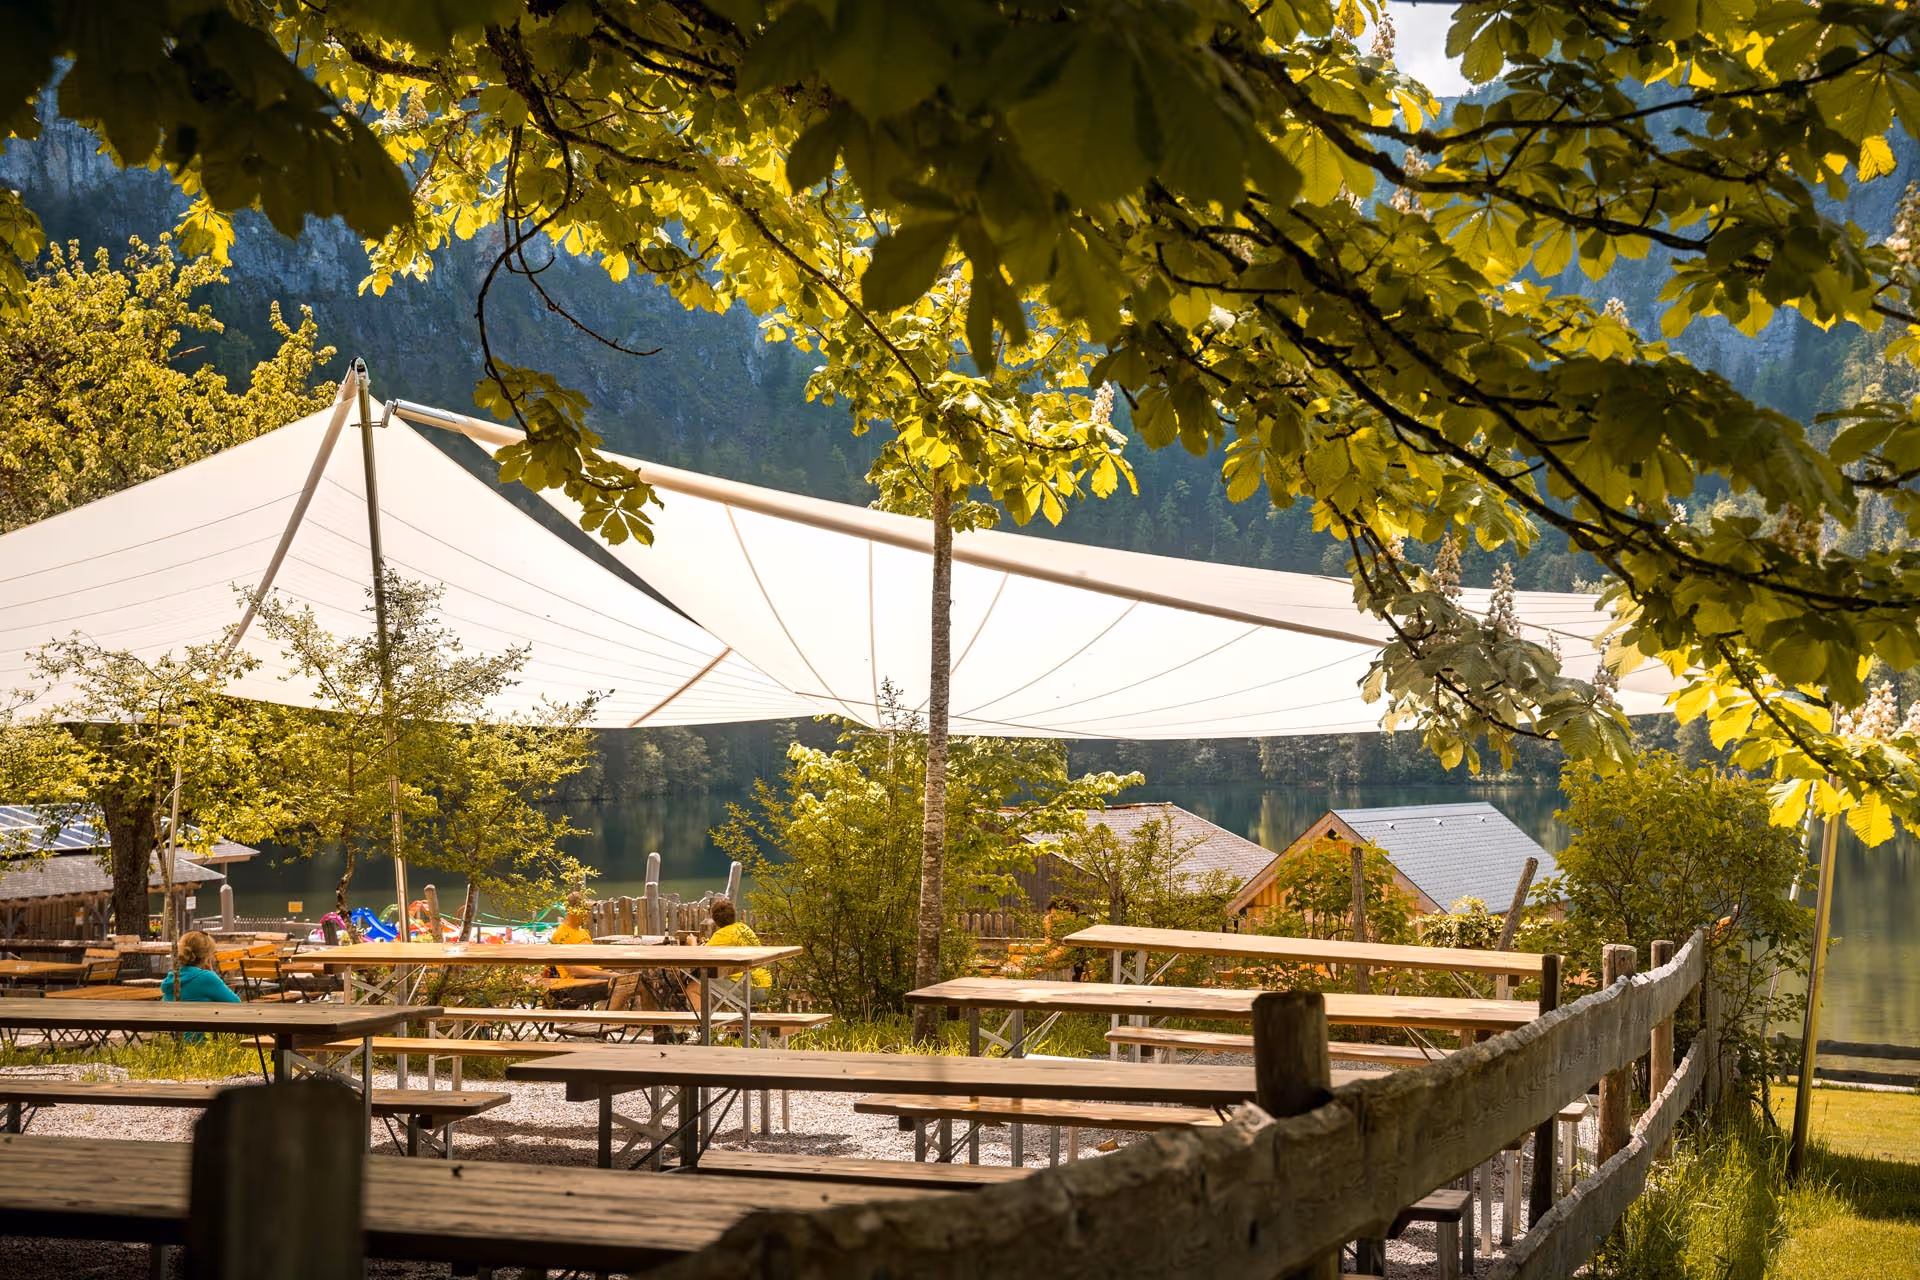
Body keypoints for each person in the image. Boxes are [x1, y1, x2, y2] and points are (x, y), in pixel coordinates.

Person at [705, 897, 771, 989]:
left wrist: (692, 943)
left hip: (750, 986)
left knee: (696, 986)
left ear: (715, 920)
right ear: (734, 915)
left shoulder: (723, 934)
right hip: (765, 984)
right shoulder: (743, 927)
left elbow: (700, 955)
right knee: (716, 986)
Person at [162, 931, 240, 1005]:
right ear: (207, 957)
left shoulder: (172, 977)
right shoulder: (207, 978)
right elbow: (236, 1003)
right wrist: (212, 974)